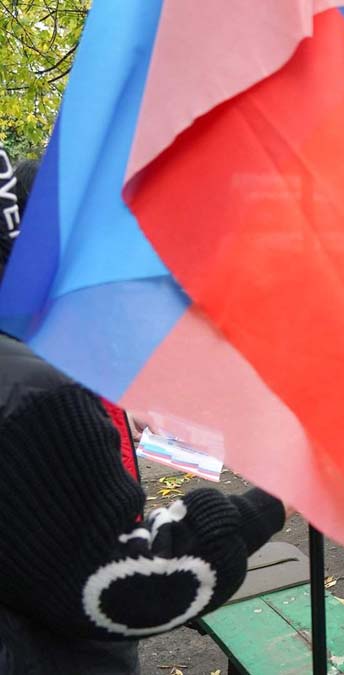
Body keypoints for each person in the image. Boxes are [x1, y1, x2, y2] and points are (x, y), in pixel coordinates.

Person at [0, 141, 287, 673]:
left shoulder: (28, 345)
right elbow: (131, 584)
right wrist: (278, 501)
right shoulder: (36, 392)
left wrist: (117, 409)